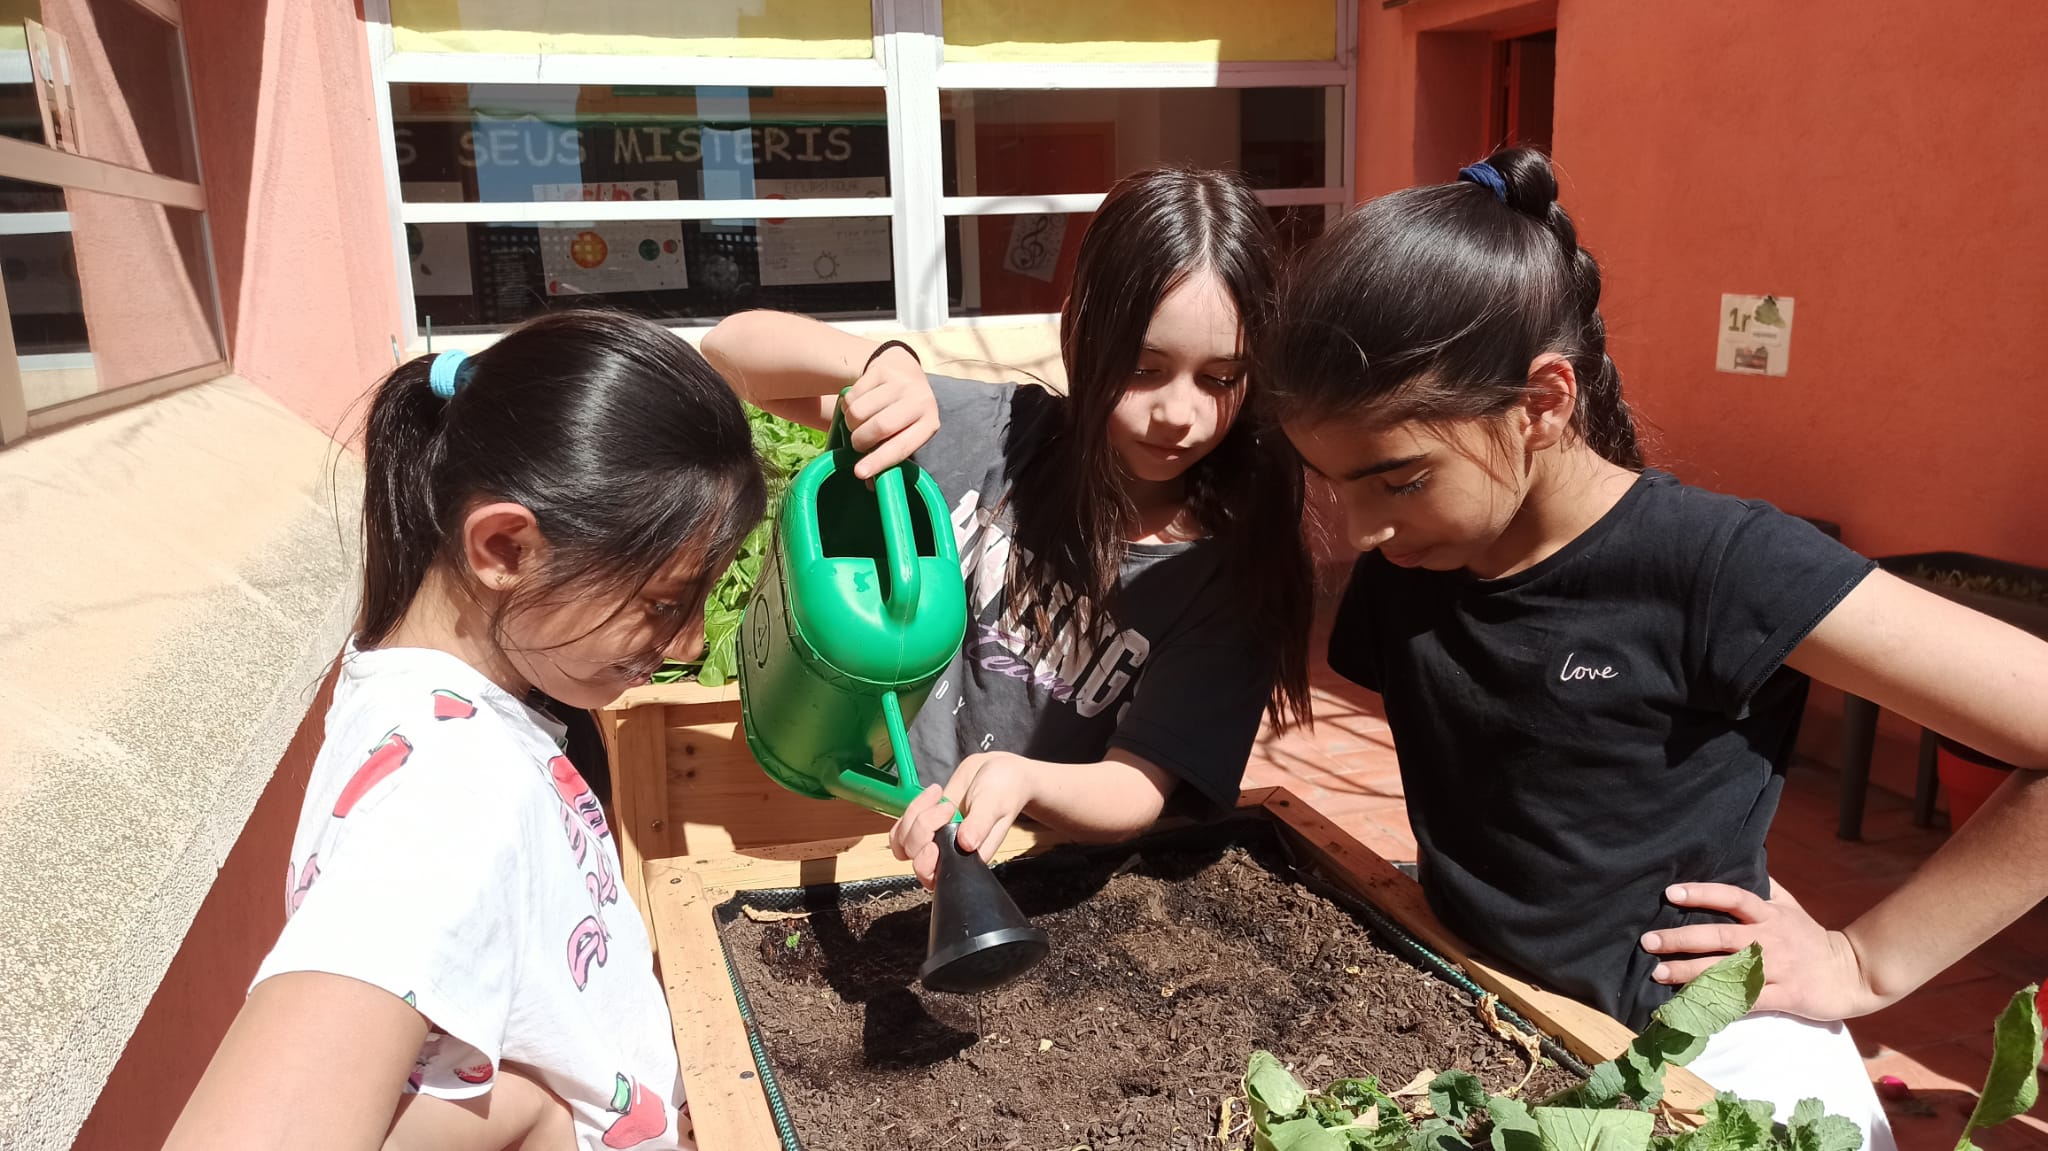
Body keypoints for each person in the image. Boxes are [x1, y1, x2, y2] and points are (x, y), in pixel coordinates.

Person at [1263, 147, 2048, 1147]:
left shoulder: (1719, 564)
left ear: (1542, 404)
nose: (1361, 528)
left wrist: (1864, 961)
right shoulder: (1415, 560)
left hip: (1707, 1057)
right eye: (1332, 482)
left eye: (1399, 479)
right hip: (1496, 1027)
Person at [166, 310, 767, 1151]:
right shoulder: (450, 791)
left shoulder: (435, 699)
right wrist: (533, 1119)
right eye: (665, 602)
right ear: (505, 547)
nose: (693, 642)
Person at [702, 166, 1313, 887]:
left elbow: (1140, 784)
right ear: (1076, 332)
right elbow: (730, 350)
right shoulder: (989, 432)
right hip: (872, 851)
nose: (1179, 413)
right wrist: (881, 364)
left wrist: (1025, 780)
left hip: (1032, 878)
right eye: (1145, 368)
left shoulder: (1228, 578)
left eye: (1219, 378)